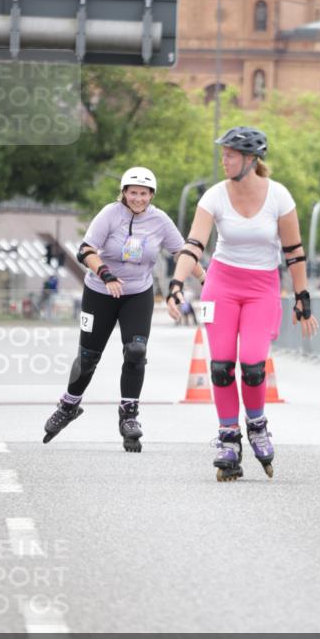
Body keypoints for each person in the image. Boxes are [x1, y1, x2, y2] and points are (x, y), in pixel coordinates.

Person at [166, 126, 318, 481]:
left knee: (253, 366)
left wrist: (302, 297)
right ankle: (228, 437)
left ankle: (258, 424)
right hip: (221, 284)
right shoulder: (214, 197)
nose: (224, 161)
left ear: (251, 160)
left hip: (262, 287)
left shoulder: (279, 197)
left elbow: (294, 253)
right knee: (220, 367)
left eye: (230, 155)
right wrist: (175, 283)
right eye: (223, 154)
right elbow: (194, 244)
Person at [43, 166, 205, 451]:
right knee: (88, 357)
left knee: (136, 351)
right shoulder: (110, 214)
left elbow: (184, 254)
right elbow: (85, 250)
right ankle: (69, 406)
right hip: (99, 292)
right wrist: (106, 275)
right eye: (133, 193)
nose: (138, 198)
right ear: (124, 192)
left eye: (144, 194)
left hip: (137, 294)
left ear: (151, 195)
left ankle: (129, 415)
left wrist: (208, 281)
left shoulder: (160, 220)